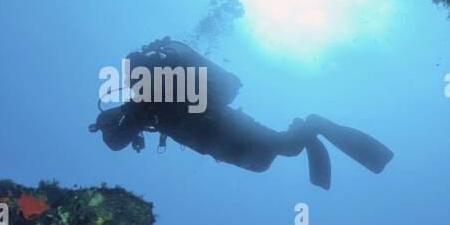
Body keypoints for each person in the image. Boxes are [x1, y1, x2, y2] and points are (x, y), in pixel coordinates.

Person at [89, 38, 393, 189]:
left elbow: (117, 141)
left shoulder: (143, 105)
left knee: (278, 153)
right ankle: (309, 127)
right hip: (225, 128)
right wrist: (115, 118)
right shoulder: (145, 103)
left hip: (222, 131)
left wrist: (111, 121)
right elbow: (121, 135)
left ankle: (312, 125)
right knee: (273, 156)